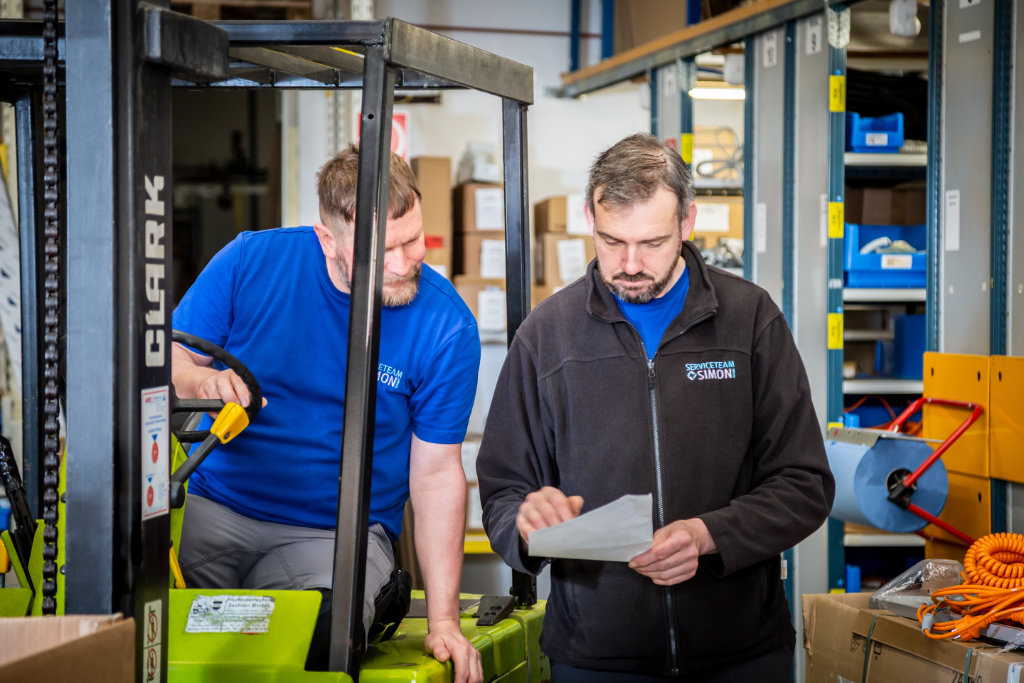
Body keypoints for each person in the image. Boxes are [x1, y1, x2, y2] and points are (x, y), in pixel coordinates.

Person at [476, 133, 835, 682]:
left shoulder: (750, 320)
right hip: (596, 658)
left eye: (652, 243)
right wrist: (526, 523)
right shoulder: (546, 337)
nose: (629, 264)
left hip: (740, 652)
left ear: (687, 222)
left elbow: (804, 483)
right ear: (589, 218)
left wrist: (709, 535)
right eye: (612, 240)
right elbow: (503, 491)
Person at [172, 145, 484, 683]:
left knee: (316, 643)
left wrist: (444, 621)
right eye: (382, 250)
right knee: (137, 616)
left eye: (412, 240)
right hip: (212, 509)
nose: (403, 264)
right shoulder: (249, 262)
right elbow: (169, 358)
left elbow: (435, 476)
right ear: (327, 240)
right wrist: (202, 381)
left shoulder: (446, 326)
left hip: (333, 536)